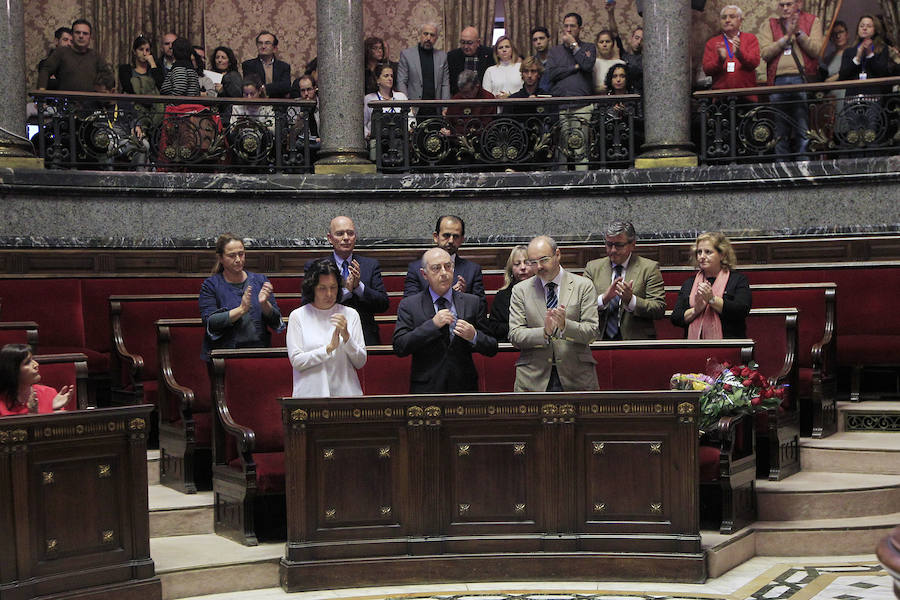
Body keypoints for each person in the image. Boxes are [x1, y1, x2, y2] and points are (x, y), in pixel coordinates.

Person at [393, 248, 497, 393]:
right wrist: (432, 325)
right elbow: (400, 347)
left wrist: (474, 336)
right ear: (424, 274)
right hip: (427, 389)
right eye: (436, 268)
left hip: (464, 387)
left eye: (448, 266)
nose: (443, 273)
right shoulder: (410, 305)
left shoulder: (472, 302)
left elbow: (492, 347)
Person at [508, 235, 599, 392]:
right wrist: (543, 332)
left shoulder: (583, 286)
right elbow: (515, 335)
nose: (539, 267)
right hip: (533, 378)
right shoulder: (520, 290)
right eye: (533, 262)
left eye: (544, 260)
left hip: (577, 377)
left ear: (558, 254)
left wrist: (565, 326)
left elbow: (592, 332)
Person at [287, 259, 366, 398]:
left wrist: (347, 337)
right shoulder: (298, 316)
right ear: (312, 288)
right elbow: (297, 361)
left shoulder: (351, 315)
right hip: (309, 397)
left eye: (333, 287)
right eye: (322, 288)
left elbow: (360, 362)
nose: (329, 294)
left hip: (346, 395)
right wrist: (328, 349)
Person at [199, 233, 284, 361]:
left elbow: (276, 321)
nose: (238, 259)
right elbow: (210, 322)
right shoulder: (210, 285)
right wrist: (241, 310)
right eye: (232, 256)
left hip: (259, 351)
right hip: (224, 355)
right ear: (220, 258)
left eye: (241, 254)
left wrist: (264, 304)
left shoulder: (260, 281)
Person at [759, 0, 824, 157]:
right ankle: (781, 166)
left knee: (802, 125)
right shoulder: (770, 24)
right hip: (777, 81)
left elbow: (816, 51)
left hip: (800, 79)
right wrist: (784, 39)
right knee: (780, 129)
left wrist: (799, 33)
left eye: (788, 4)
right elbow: (765, 54)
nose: (785, 8)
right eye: (782, 5)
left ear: (799, 4)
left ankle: (803, 163)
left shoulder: (812, 20)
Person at [312, 216, 389, 346]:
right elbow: (310, 303)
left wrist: (359, 287)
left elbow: (383, 304)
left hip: (365, 337)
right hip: (327, 335)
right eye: (340, 234)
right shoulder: (317, 266)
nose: (346, 237)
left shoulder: (370, 265)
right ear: (330, 238)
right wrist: (346, 291)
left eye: (350, 233)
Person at [584, 221, 665, 340]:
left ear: (633, 244)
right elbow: (580, 305)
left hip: (635, 341)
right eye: (609, 244)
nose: (612, 250)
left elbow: (658, 308)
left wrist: (631, 300)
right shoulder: (592, 268)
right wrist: (604, 299)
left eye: (618, 245)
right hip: (597, 339)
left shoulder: (649, 268)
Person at [670, 232, 751, 339]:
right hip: (695, 347)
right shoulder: (689, 283)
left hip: (729, 343)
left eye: (708, 252)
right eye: (699, 252)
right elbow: (676, 318)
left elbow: (741, 310)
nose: (702, 257)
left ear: (722, 255)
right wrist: (695, 310)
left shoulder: (737, 280)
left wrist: (712, 300)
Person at [545, 12, 596, 169]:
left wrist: (574, 45)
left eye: (572, 26)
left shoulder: (588, 47)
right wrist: (575, 67)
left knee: (581, 151)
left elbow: (587, 65)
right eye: (565, 26)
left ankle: (583, 187)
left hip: (582, 106)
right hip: (561, 106)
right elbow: (551, 74)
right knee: (562, 153)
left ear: (580, 28)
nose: (568, 29)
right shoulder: (554, 51)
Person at [404, 215, 484, 298]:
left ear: (462, 240)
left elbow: (481, 307)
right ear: (436, 237)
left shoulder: (472, 270)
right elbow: (409, 305)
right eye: (446, 235)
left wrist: (463, 298)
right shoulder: (416, 269)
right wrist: (446, 295)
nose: (451, 241)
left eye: (456, 236)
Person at [702, 5, 761, 103]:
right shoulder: (712, 42)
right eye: (724, 17)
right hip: (721, 98)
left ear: (740, 20)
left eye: (732, 17)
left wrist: (739, 54)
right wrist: (720, 60)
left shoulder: (750, 38)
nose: (727, 20)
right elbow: (707, 70)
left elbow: (754, 63)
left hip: (746, 96)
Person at [0, 344, 72, 416]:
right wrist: (32, 414)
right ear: (12, 370)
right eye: (27, 362)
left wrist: (55, 410)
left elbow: (59, 426)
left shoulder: (49, 393)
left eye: (33, 359)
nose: (36, 364)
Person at [839, 15, 900, 98]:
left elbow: (882, 73)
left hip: (874, 97)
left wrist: (870, 55)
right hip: (852, 97)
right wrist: (857, 57)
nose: (864, 28)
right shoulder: (849, 51)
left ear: (875, 29)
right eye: (862, 26)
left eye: (869, 26)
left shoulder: (882, 49)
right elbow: (842, 76)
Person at [397, 22, 450, 115]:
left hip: (435, 108)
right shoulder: (407, 55)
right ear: (420, 35)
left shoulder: (442, 57)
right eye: (425, 34)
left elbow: (445, 84)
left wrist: (445, 107)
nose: (428, 38)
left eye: (432, 35)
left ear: (436, 38)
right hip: (414, 109)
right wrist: (407, 105)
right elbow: (401, 82)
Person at [37, 19, 104, 92]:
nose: (81, 36)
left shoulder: (94, 57)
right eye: (65, 40)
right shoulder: (55, 57)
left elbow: (106, 77)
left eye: (85, 33)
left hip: (87, 100)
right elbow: (46, 73)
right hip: (62, 101)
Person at [486, 245, 535, 342]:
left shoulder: (544, 292)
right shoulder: (502, 296)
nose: (523, 267)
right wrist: (518, 328)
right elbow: (494, 328)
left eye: (527, 262)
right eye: (517, 264)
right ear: (511, 270)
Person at [442, 69, 496, 136]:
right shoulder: (456, 99)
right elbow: (449, 123)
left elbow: (487, 127)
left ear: (477, 86)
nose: (464, 96)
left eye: (466, 92)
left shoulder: (488, 99)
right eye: (462, 92)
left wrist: (455, 132)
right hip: (456, 142)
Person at [364, 63, 409, 140]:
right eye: (386, 76)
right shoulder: (369, 98)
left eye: (391, 76)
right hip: (376, 141)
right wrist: (367, 134)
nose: (390, 78)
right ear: (378, 80)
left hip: (398, 140)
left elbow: (410, 118)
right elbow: (363, 122)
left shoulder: (401, 96)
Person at [606, 2, 644, 93]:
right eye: (637, 38)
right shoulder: (624, 55)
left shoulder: (647, 60)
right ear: (631, 38)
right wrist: (610, 14)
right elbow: (615, 33)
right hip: (625, 96)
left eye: (643, 40)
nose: (639, 42)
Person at [242, 31, 292, 99]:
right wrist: (275, 87)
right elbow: (251, 87)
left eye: (267, 43)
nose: (263, 46)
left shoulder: (284, 67)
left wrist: (264, 87)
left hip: (278, 105)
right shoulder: (248, 65)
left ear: (274, 48)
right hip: (256, 105)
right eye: (260, 43)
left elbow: (285, 87)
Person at [447, 26, 495, 95]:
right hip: (460, 98)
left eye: (469, 43)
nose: (466, 46)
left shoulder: (489, 54)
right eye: (463, 42)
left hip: (482, 98)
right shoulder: (452, 56)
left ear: (478, 42)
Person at [37, 26, 73, 91]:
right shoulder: (45, 64)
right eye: (65, 40)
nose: (69, 44)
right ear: (56, 41)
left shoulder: (75, 64)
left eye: (71, 41)